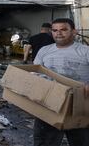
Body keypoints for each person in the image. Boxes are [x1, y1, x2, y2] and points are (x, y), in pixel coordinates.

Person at [33, 18, 89, 146]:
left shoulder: (85, 51)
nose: (58, 33)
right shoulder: (44, 51)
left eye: (63, 29)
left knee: (82, 142)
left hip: (79, 106)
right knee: (45, 142)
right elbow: (35, 73)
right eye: (55, 30)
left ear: (74, 31)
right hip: (49, 105)